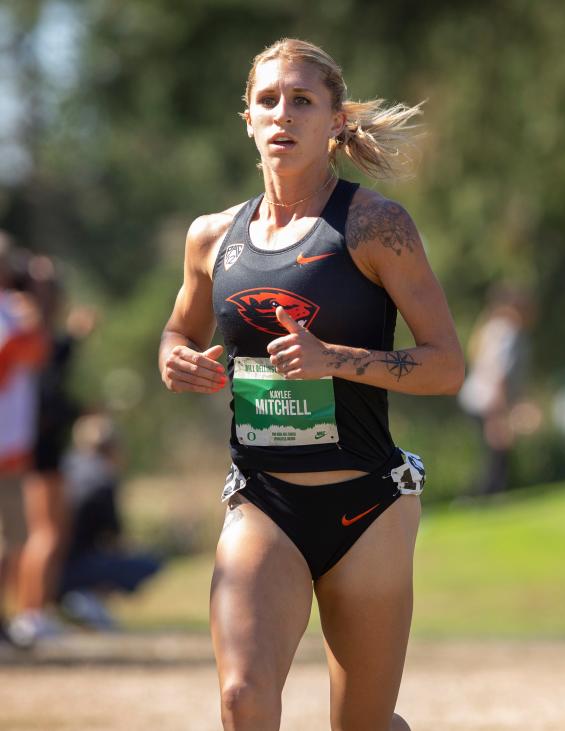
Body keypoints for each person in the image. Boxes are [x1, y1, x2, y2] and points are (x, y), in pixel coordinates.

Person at [159, 38, 463, 731]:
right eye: (268, 100)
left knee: (360, 724)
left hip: (368, 508)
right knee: (242, 695)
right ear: (247, 118)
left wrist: (337, 359)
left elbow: (447, 364)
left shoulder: (374, 226)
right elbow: (177, 330)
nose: (282, 114)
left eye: (302, 100)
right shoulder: (212, 237)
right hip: (263, 504)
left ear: (334, 121)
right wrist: (176, 359)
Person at [8, 255, 92, 646]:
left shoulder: (34, 327)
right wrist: (72, 340)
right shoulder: (23, 324)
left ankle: (35, 611)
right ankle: (30, 613)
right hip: (35, 444)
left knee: (49, 532)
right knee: (43, 533)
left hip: (43, 442)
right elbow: (46, 389)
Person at [57, 412, 162, 629]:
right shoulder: (103, 479)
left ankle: (76, 601)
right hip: (74, 565)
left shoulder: (63, 467)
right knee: (149, 562)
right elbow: (113, 537)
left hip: (49, 565)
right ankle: (85, 599)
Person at [0, 235, 48, 649]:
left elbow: (38, 354)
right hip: (6, 444)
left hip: (12, 445)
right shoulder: (14, 316)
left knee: (15, 538)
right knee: (9, 538)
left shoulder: (15, 312)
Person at [458, 286, 533, 495]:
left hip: (477, 399)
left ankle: (488, 494)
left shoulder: (491, 328)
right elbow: (499, 372)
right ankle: (486, 495)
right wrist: (498, 413)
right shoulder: (507, 331)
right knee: (496, 453)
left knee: (492, 452)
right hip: (489, 401)